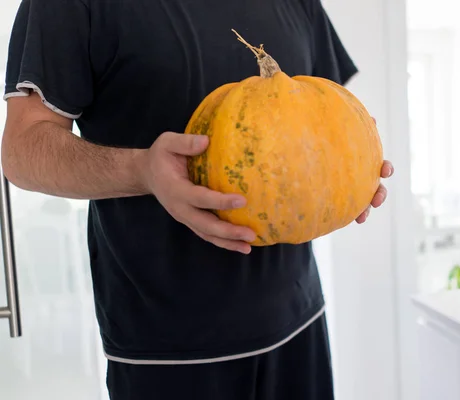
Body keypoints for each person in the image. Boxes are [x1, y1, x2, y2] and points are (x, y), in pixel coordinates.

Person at [2, 0, 393, 399]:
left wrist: (351, 165)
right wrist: (142, 171)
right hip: (167, 352)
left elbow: (320, 112)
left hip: (300, 321)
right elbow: (21, 152)